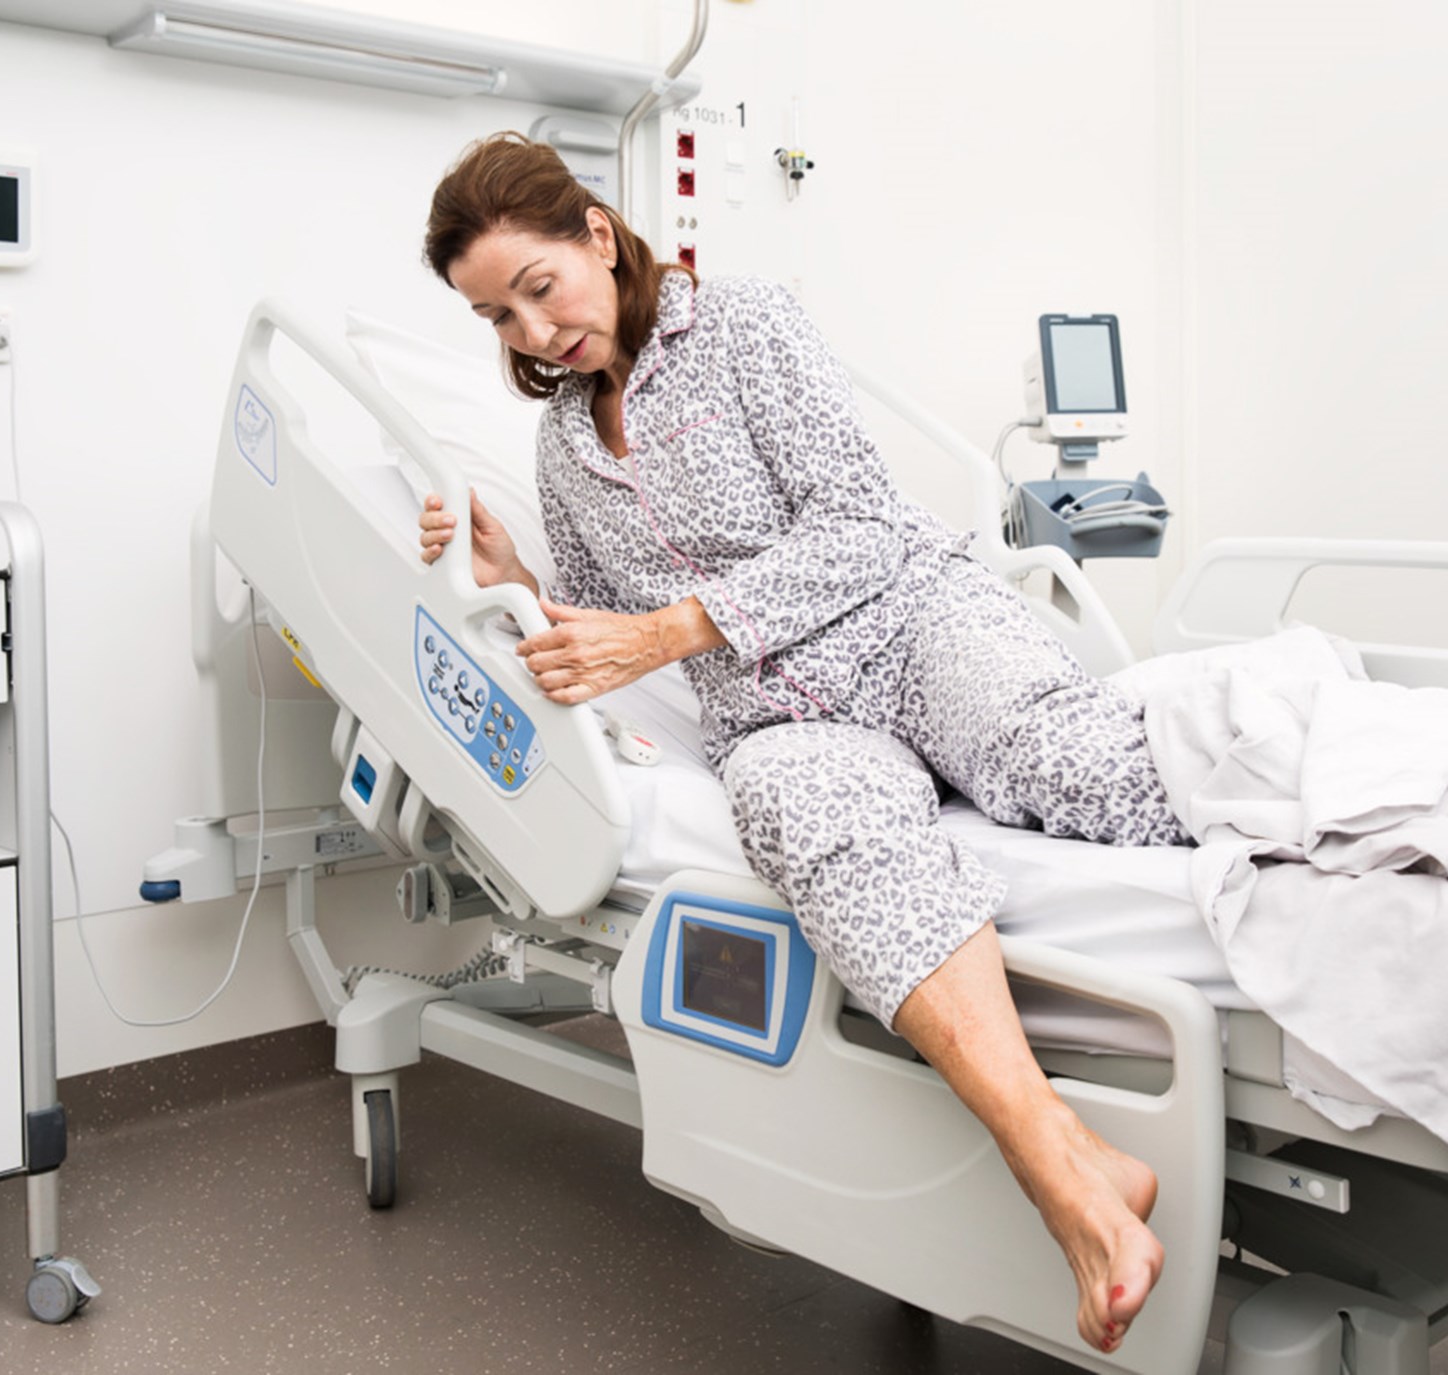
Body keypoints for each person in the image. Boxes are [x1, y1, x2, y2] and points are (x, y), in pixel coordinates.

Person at [416, 132, 1191, 1355]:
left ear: (597, 241)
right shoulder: (561, 443)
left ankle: (1357, 804)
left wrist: (674, 624)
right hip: (775, 716)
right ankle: (1063, 1163)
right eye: (493, 315)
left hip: (907, 625)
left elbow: (863, 525)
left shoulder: (743, 329)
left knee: (1069, 770)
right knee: (810, 819)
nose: (526, 331)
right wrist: (515, 577)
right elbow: (611, 620)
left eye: (538, 287)